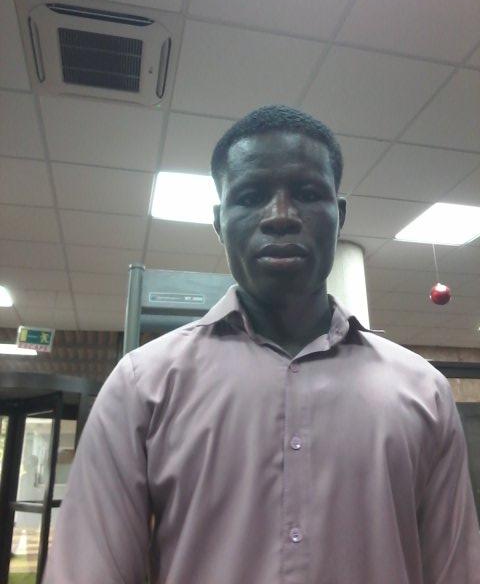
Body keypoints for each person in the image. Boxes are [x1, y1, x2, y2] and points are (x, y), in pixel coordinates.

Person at [43, 105, 480, 584]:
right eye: (251, 196)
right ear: (219, 222)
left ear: (339, 216)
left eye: (308, 193)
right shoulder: (141, 387)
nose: (280, 216)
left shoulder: (424, 392)